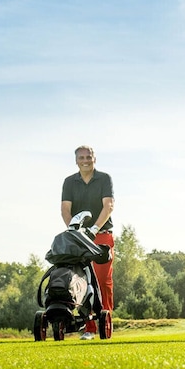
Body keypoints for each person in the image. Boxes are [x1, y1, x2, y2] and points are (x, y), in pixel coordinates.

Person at [60, 145, 115, 340]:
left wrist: (94, 229)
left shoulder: (104, 179)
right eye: (81, 157)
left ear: (94, 158)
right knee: (81, 280)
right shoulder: (69, 182)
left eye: (89, 157)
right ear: (76, 160)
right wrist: (74, 230)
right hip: (79, 237)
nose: (85, 160)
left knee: (102, 281)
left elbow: (108, 205)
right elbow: (65, 209)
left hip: (101, 235)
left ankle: (105, 321)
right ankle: (89, 327)